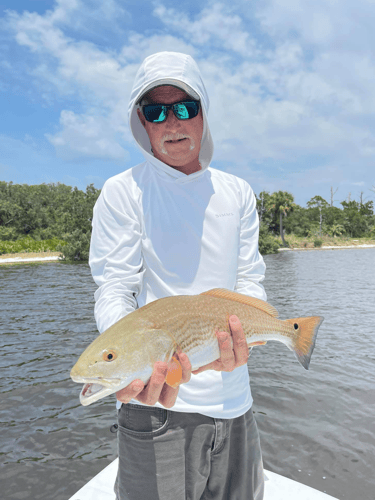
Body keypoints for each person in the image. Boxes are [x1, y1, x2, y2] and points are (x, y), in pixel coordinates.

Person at [89, 51, 267, 500]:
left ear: (204, 113)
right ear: (142, 123)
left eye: (185, 107)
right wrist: (126, 363)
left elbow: (249, 280)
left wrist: (250, 337)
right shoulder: (122, 192)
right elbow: (115, 287)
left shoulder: (238, 192)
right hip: (156, 405)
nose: (172, 122)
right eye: (155, 111)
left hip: (236, 402)